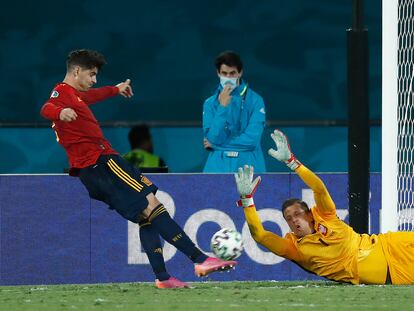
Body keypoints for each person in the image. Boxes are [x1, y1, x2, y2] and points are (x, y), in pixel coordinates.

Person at [40, 49, 237, 289]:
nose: (94, 80)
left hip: (91, 171)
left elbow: (93, 95)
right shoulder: (62, 93)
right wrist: (60, 112)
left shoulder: (75, 96)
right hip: (103, 162)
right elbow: (47, 108)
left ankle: (163, 277)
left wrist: (116, 89)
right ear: (77, 70)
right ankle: (200, 259)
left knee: (146, 217)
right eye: (91, 74)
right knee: (153, 204)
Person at [234, 129, 414, 285]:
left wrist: (292, 162)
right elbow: (260, 235)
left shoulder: (326, 215)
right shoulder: (295, 249)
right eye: (288, 218)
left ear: (309, 214)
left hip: (390, 244)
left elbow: (318, 188)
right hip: (391, 272)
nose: (293, 219)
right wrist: (247, 201)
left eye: (297, 214)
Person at [202, 51, 266, 173]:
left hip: (249, 166)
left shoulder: (256, 101)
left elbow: (251, 141)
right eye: (224, 73)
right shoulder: (210, 103)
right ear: (218, 73)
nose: (228, 78)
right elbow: (212, 137)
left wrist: (216, 146)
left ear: (240, 73)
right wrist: (222, 107)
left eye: (232, 73)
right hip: (216, 168)